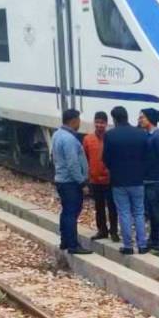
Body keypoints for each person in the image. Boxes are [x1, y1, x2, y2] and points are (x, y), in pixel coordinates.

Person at [103, 106, 148, 255]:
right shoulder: (141, 134)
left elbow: (106, 158)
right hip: (138, 180)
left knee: (124, 213)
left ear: (114, 119)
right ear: (127, 116)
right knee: (139, 212)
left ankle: (128, 246)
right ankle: (142, 245)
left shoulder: (110, 135)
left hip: (119, 181)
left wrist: (115, 169)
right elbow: (146, 156)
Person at [51, 108, 92, 255]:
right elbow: (72, 163)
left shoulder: (57, 134)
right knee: (71, 213)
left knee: (66, 211)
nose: (80, 123)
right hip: (70, 182)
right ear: (74, 121)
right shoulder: (69, 139)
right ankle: (73, 245)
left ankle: (65, 241)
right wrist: (82, 182)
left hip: (61, 179)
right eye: (79, 120)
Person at [139, 108, 159, 258]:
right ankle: (154, 240)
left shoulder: (158, 138)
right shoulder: (150, 135)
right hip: (150, 181)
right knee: (153, 213)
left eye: (143, 118)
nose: (140, 120)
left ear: (150, 119)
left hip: (156, 181)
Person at [83, 111, 119, 243]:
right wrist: (87, 177)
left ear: (106, 124)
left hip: (110, 179)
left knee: (112, 207)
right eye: (97, 122)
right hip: (95, 179)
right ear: (94, 123)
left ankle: (114, 231)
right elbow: (85, 158)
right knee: (99, 207)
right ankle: (102, 230)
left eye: (102, 123)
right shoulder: (88, 139)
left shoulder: (111, 138)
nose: (99, 125)